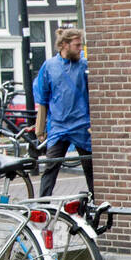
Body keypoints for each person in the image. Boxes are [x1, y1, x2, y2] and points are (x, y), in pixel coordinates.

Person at [33, 27, 93, 197]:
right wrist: (40, 129)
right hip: (59, 127)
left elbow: (93, 96)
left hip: (81, 125)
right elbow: (42, 99)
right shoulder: (49, 66)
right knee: (51, 166)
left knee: (90, 168)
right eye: (77, 45)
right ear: (65, 45)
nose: (80, 49)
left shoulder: (83, 66)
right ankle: (43, 205)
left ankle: (96, 204)